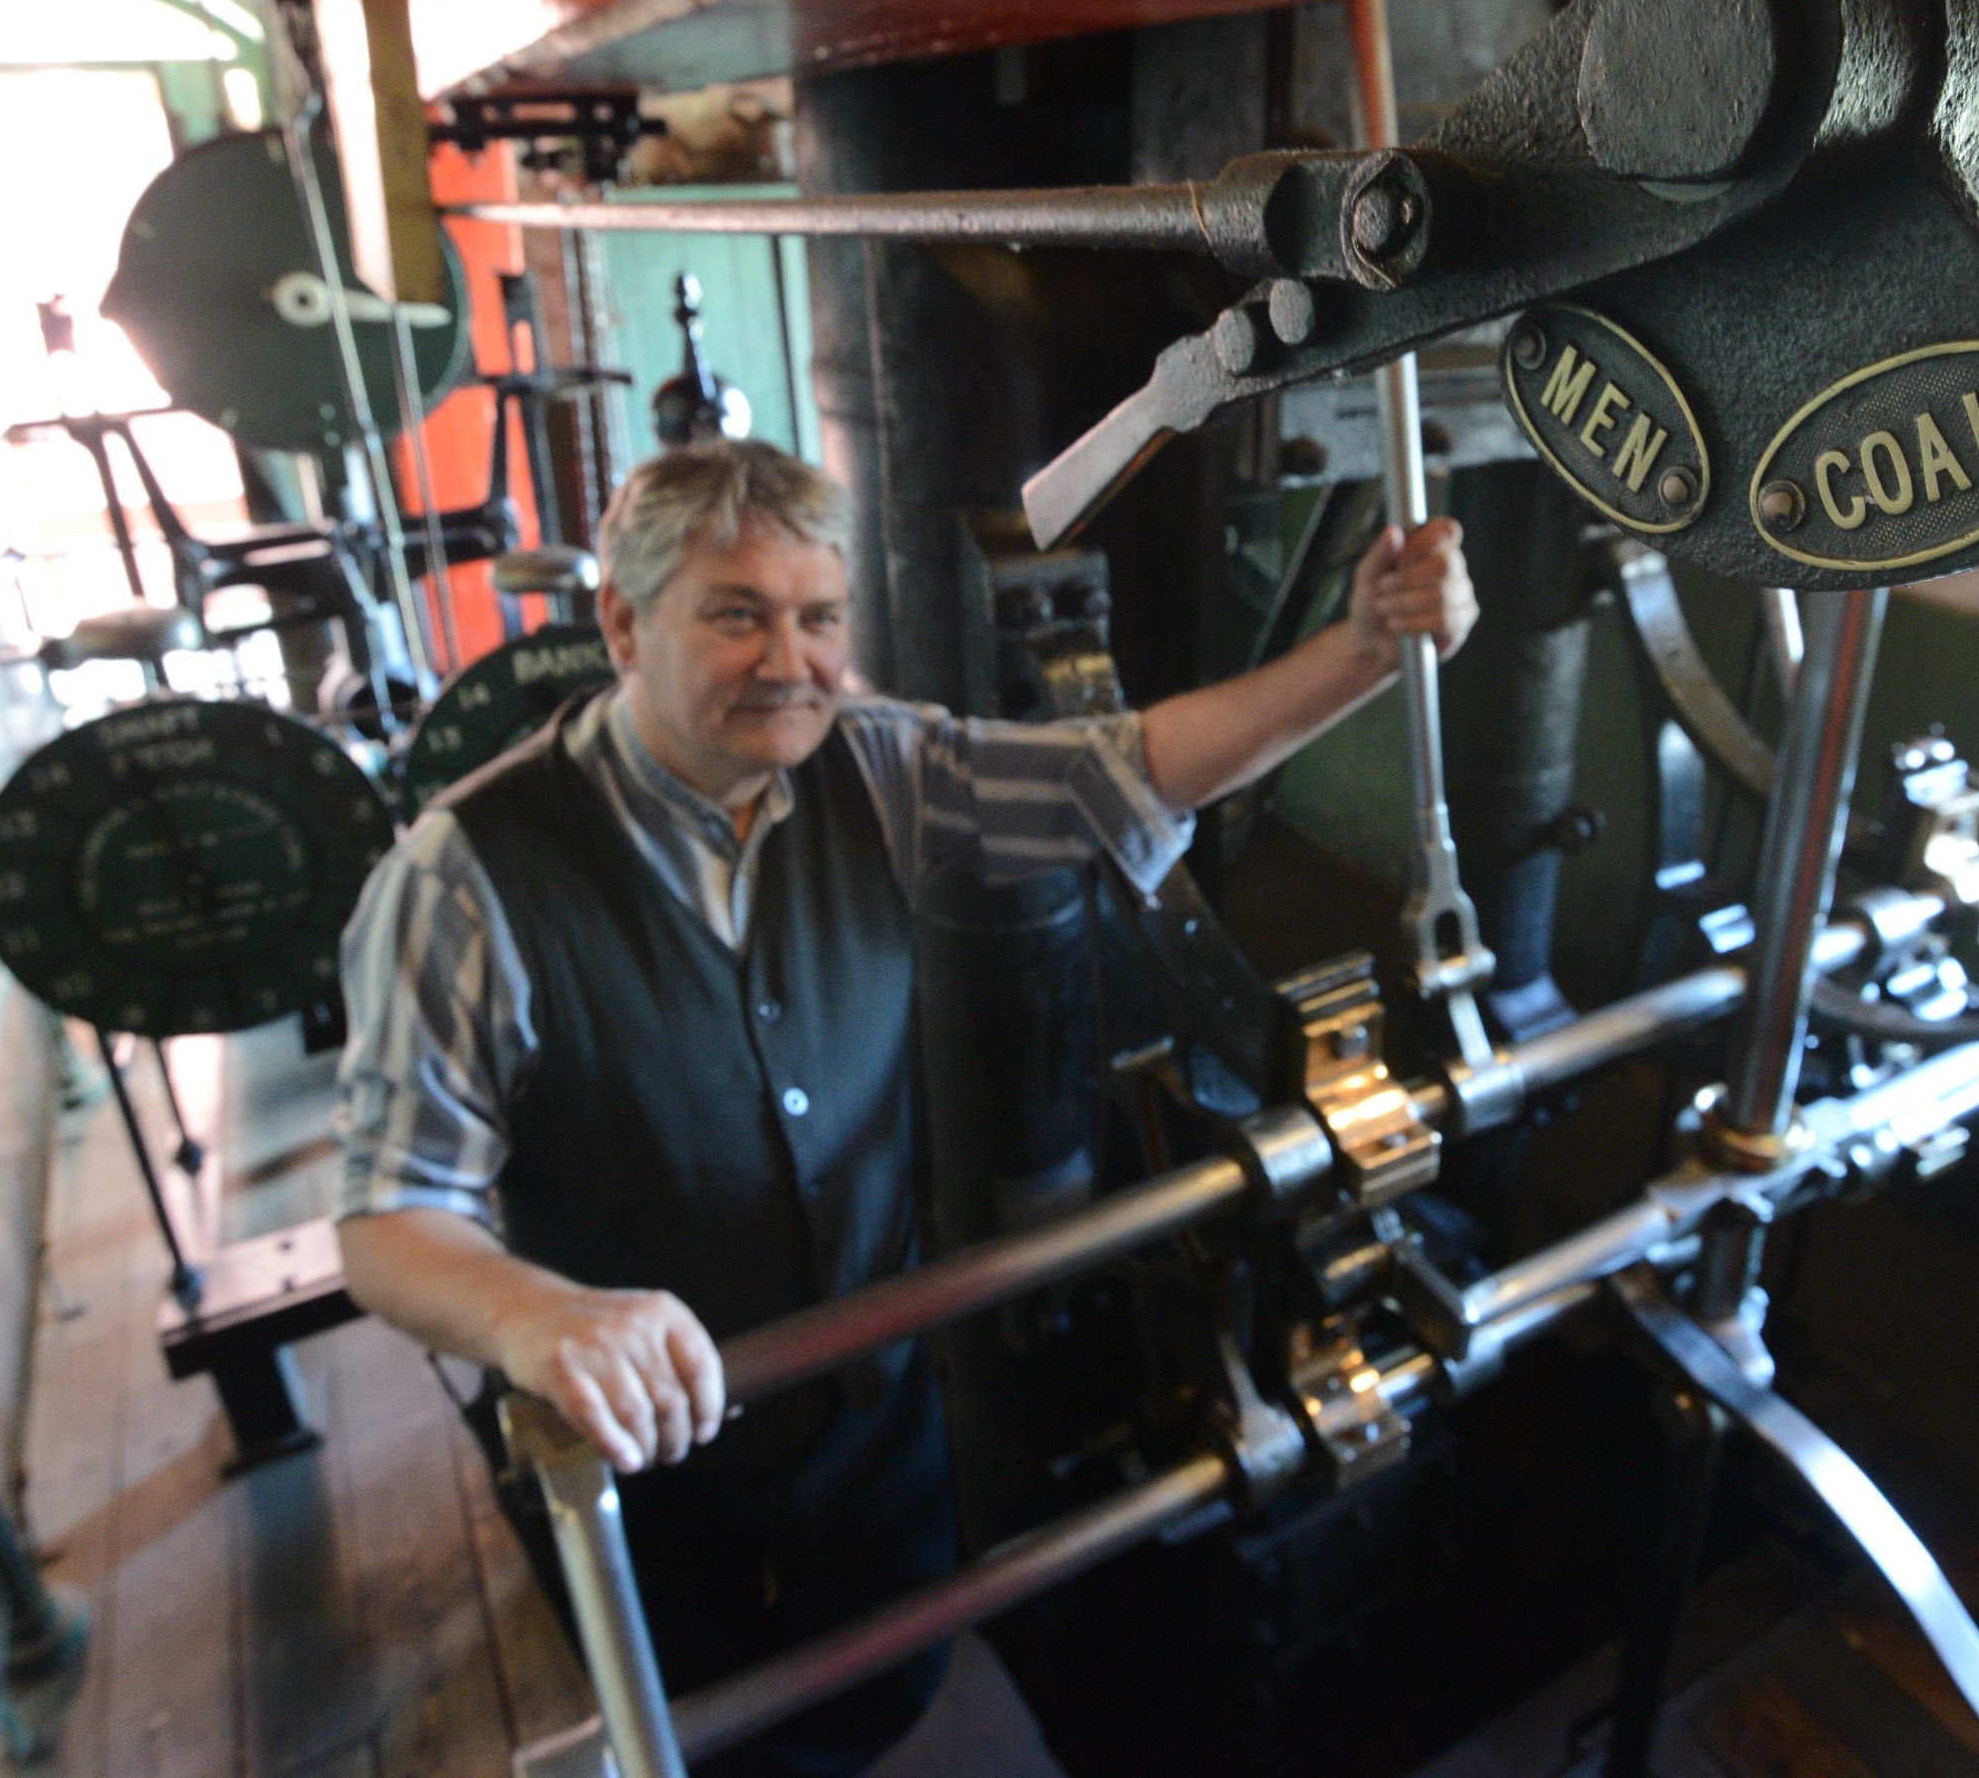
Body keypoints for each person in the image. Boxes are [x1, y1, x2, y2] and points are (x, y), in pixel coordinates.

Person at [334, 438, 1475, 1775]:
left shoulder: (873, 770)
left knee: (881, 1690)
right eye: (737, 614)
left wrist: (1362, 650)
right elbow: (390, 1216)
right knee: (709, 1731)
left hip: (870, 1421)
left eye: (818, 618)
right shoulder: (463, 876)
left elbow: (1126, 772)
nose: (791, 660)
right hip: (641, 1474)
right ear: (622, 623)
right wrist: (538, 1315)